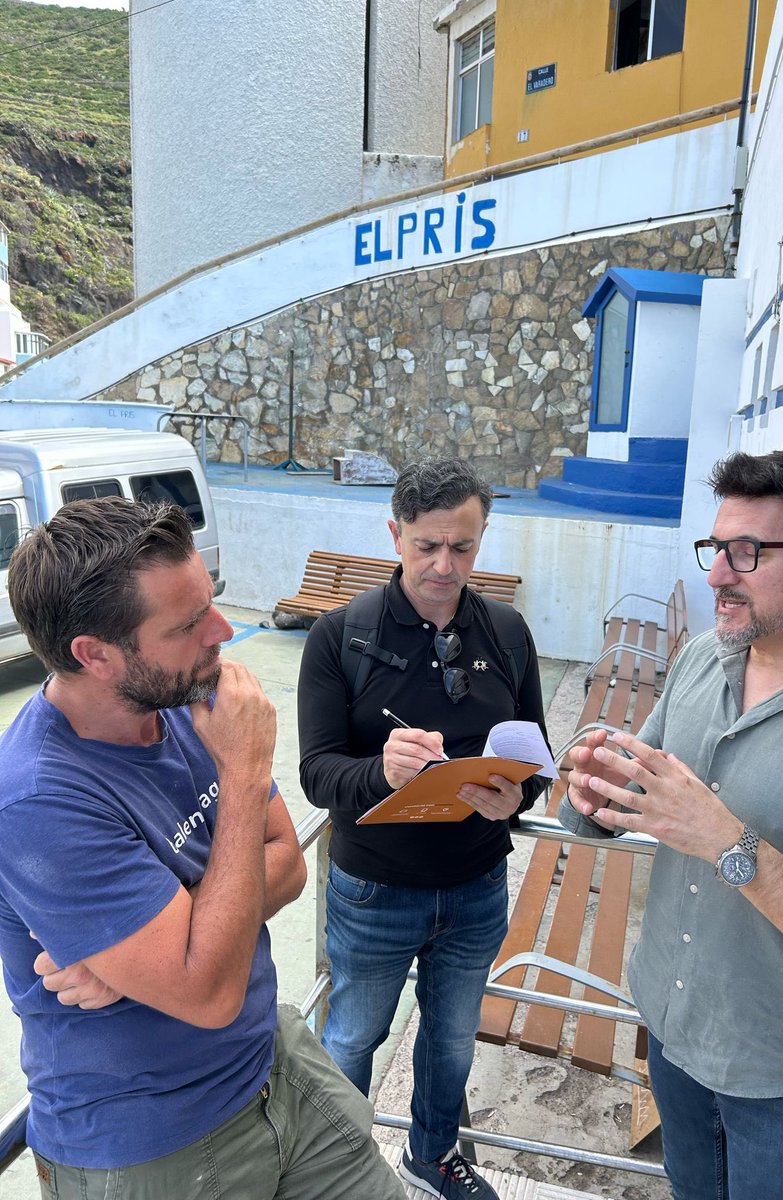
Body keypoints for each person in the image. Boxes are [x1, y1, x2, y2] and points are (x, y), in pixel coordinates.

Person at [0, 496, 405, 1200]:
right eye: (188, 624)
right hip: (153, 1139)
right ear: (95, 655)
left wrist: (174, 941)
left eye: (210, 602)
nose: (223, 632)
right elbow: (210, 992)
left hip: (270, 1064)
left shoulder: (181, 699)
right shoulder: (40, 799)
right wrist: (244, 774)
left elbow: (287, 860)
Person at [559, 448, 783, 1200]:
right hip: (672, 1025)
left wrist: (725, 840)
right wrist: (592, 794)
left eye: (746, 553)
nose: (716, 575)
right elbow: (638, 788)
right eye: (715, 548)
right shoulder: (701, 658)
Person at [298, 457, 550, 1200]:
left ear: (482, 537)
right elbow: (316, 774)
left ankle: (432, 1155)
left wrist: (517, 797)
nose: (444, 566)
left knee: (451, 1041)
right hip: (375, 890)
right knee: (351, 1038)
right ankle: (335, 1170)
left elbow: (534, 752)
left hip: (477, 884)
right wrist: (381, 772)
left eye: (462, 547)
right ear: (395, 535)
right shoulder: (339, 637)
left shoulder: (508, 633)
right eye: (427, 546)